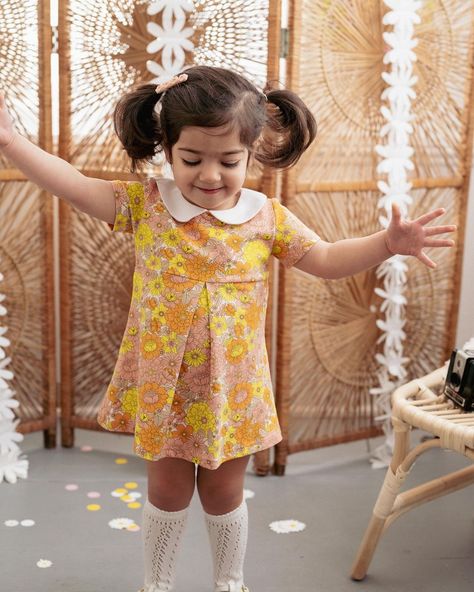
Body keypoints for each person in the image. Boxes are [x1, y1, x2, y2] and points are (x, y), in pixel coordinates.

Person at [0, 65, 456, 592]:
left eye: (229, 161)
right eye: (192, 159)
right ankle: (158, 582)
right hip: (164, 388)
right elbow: (75, 186)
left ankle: (229, 582)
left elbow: (327, 258)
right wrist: (11, 142)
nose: (210, 175)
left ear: (253, 152)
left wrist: (386, 243)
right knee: (166, 492)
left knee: (223, 495)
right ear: (166, 150)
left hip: (231, 390)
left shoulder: (267, 217)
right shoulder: (146, 205)